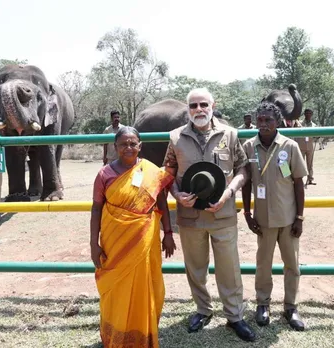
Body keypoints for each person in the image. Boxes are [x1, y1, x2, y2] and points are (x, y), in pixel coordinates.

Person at [162, 87, 256, 342]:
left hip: (223, 213)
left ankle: (235, 316)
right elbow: (167, 173)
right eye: (193, 106)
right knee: (195, 267)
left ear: (213, 105)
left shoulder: (230, 134)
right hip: (190, 216)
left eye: (203, 104)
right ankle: (203, 310)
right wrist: (176, 194)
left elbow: (242, 170)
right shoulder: (175, 137)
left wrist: (228, 193)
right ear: (188, 109)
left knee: (229, 267)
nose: (199, 110)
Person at [90, 126, 176, 347]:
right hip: (114, 240)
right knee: (116, 287)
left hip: (145, 238)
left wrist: (168, 233)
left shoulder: (151, 171)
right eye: (123, 144)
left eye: (132, 144)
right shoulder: (104, 174)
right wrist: (94, 244)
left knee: (145, 285)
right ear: (115, 147)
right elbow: (97, 209)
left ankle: (142, 334)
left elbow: (162, 203)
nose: (128, 148)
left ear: (140, 146)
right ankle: (115, 334)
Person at [242, 101, 308, 331]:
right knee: (263, 264)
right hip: (263, 220)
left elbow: (298, 182)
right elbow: (247, 181)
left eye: (268, 120)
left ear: (278, 121)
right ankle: (263, 304)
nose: (263, 124)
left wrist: (299, 218)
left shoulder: (289, 147)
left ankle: (291, 307)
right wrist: (248, 213)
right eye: (260, 120)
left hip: (288, 219)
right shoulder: (249, 147)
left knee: (292, 264)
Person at [279, 109, 317, 186]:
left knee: (307, 164)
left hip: (297, 146)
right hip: (283, 146)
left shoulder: (296, 123)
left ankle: (307, 179)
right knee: (284, 162)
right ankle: (289, 180)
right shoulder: (281, 123)